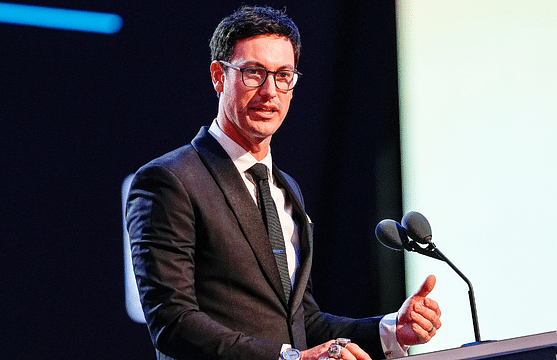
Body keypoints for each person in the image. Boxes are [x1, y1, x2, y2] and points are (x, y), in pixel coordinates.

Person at [125, 5, 441, 360]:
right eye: (253, 73)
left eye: (283, 75)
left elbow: (302, 324)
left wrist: (389, 330)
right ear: (218, 76)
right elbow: (173, 322)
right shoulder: (170, 180)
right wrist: (289, 358)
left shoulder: (286, 188)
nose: (269, 91)